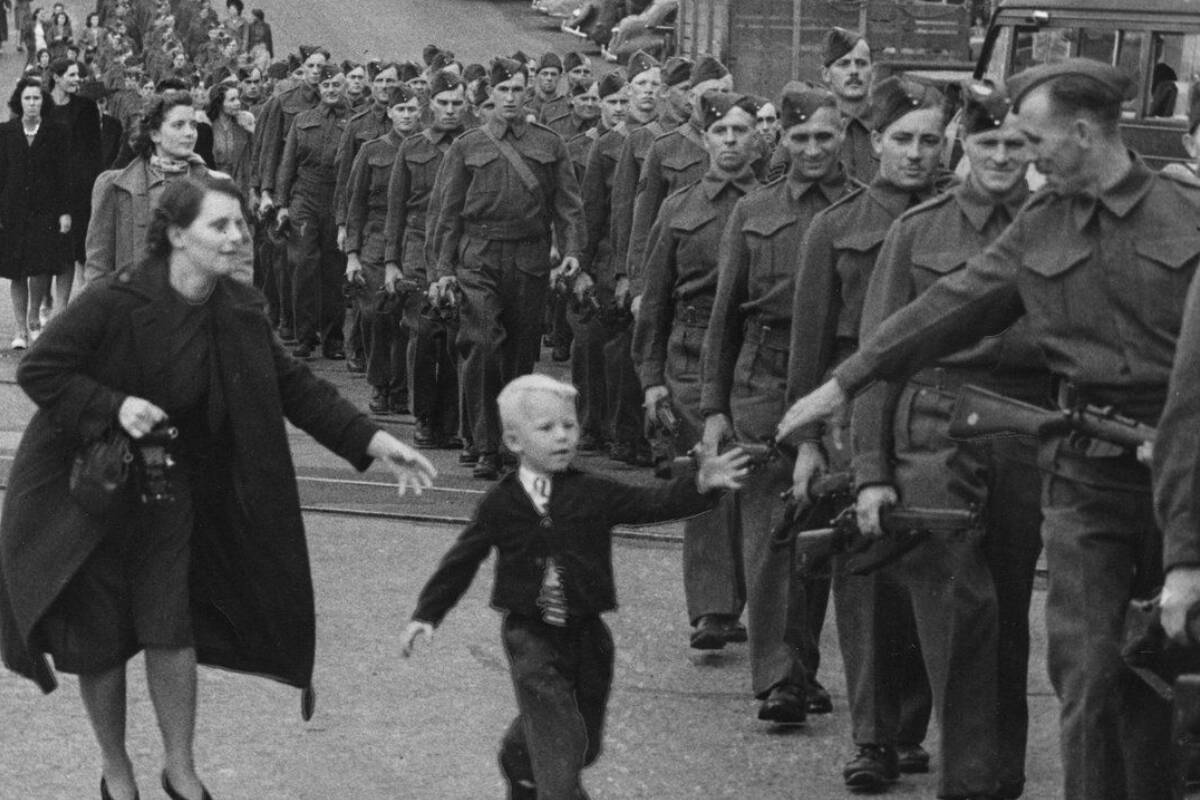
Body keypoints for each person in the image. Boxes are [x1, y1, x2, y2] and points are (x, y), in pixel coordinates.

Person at [777, 59, 1200, 800]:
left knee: (1162, 674)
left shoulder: (1187, 215)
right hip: (1086, 474)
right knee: (1088, 672)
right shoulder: (1042, 224)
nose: (1022, 156)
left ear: (1079, 132)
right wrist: (847, 381)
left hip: (1184, 471)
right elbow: (950, 304)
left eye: (1032, 140)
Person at [0, 174, 436, 800]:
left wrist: (375, 441)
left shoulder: (239, 309)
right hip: (88, 498)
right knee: (98, 643)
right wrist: (114, 406)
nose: (237, 237)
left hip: (167, 494)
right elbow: (40, 369)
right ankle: (116, 773)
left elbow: (295, 389)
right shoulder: (114, 300)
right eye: (220, 226)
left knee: (169, 629)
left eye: (240, 225)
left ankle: (181, 771)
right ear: (177, 235)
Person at [400, 373, 747, 800]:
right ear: (513, 441)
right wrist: (426, 615)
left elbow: (650, 503)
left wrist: (699, 485)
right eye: (546, 429)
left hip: (587, 636)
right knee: (559, 740)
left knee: (583, 739)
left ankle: (519, 756)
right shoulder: (501, 504)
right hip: (531, 636)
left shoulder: (592, 492)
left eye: (569, 426)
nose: (562, 437)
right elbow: (461, 561)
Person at [845, 81, 1048, 800]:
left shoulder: (1061, 227)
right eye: (986, 143)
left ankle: (999, 776)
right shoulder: (918, 231)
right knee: (959, 612)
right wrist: (871, 468)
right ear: (964, 142)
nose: (999, 157)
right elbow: (877, 357)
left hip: (1025, 435)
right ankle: (972, 782)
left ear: (1035, 148)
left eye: (1015, 145)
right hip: (933, 433)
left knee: (1009, 611)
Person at [781, 75, 945, 791]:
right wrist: (809, 440)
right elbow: (810, 345)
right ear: (874, 140)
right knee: (869, 579)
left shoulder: (961, 218)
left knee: (933, 576)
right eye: (902, 140)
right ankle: (874, 737)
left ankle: (910, 725)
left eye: (931, 141)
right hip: (856, 415)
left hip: (937, 418)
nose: (915, 153)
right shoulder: (836, 225)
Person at [698, 86, 859, 722]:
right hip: (764, 381)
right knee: (773, 533)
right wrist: (714, 404)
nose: (813, 148)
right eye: (800, 138)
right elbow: (724, 314)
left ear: (843, 131)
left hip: (839, 378)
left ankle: (801, 665)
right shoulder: (754, 209)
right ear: (781, 141)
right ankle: (779, 676)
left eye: (824, 136)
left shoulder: (865, 208)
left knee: (826, 530)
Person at [633, 91, 761, 657]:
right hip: (690, 355)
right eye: (721, 132)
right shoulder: (679, 208)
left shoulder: (772, 203)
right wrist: (651, 377)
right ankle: (714, 607)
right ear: (704, 139)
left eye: (741, 130)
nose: (731, 141)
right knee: (709, 469)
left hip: (755, 358)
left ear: (757, 136)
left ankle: (755, 595)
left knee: (753, 477)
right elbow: (654, 298)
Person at [427, 56, 585, 480]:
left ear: (528, 91)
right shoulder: (468, 145)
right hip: (478, 257)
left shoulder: (549, 143)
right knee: (481, 345)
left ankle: (510, 440)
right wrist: (441, 270)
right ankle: (484, 445)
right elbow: (447, 213)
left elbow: (568, 204)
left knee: (518, 354)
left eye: (518, 89)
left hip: (530, 259)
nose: (511, 98)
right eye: (503, 90)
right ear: (490, 95)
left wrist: (571, 249)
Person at [584, 51, 663, 464]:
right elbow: (598, 210)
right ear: (628, 90)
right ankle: (617, 432)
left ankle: (642, 435)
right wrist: (605, 270)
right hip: (616, 259)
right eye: (642, 85)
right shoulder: (609, 143)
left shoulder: (667, 141)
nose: (648, 93)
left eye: (655, 85)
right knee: (617, 349)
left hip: (657, 257)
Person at [379, 74, 467, 440]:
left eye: (456, 103)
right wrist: (391, 261)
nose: (449, 109)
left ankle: (451, 418)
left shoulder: (472, 145)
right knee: (423, 332)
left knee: (455, 337)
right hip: (418, 249)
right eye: (443, 102)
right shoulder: (412, 147)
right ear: (430, 104)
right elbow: (395, 208)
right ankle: (424, 416)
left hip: (461, 251)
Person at [85, 92, 217, 283]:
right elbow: (97, 267)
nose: (190, 133)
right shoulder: (113, 186)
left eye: (193, 125)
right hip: (133, 305)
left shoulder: (212, 185)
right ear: (155, 134)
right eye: (178, 125)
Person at [274, 63, 352, 360]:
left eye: (336, 86)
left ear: (343, 88)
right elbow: (287, 164)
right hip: (304, 197)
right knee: (302, 265)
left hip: (336, 198)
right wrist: (282, 205)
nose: (331, 91)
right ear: (319, 89)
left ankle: (333, 339)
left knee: (333, 271)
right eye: (327, 86)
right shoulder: (302, 120)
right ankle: (305, 337)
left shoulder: (353, 122)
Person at [0, 76, 71, 349]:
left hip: (46, 210)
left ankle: (32, 320)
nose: (32, 103)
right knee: (16, 270)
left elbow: (64, 174)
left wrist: (65, 212)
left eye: (37, 98)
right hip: (12, 210)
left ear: (43, 101)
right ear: (19, 101)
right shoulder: (5, 132)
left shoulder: (57, 132)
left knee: (40, 267)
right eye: (27, 98)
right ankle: (19, 329)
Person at [769, 28, 877, 183]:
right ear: (826, 74)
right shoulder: (803, 126)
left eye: (861, 63)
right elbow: (776, 189)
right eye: (844, 64)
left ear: (872, 72)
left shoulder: (887, 126)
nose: (854, 71)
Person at [45, 56, 103, 294]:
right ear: (56, 78)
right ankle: (45, 301)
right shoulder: (41, 105)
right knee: (48, 248)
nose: (76, 79)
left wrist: (94, 183)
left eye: (77, 75)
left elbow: (94, 150)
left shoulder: (86, 107)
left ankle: (77, 303)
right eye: (71, 75)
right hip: (47, 187)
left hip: (79, 188)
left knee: (78, 248)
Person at [206, 82, 253, 197]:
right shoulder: (208, 127)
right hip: (214, 190)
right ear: (219, 104)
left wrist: (251, 129)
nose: (238, 103)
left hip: (241, 188)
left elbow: (256, 155)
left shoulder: (243, 125)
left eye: (238, 99)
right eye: (232, 100)